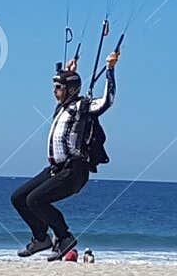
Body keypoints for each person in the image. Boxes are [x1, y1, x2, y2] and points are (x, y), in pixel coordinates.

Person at [11, 45, 119, 259]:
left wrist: (110, 69)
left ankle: (64, 237)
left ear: (69, 90)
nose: (54, 91)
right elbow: (65, 85)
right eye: (55, 86)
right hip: (56, 169)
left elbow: (108, 101)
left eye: (59, 87)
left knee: (35, 200)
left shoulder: (82, 107)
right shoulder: (61, 108)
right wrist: (68, 71)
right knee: (18, 198)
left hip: (74, 171)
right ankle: (41, 238)